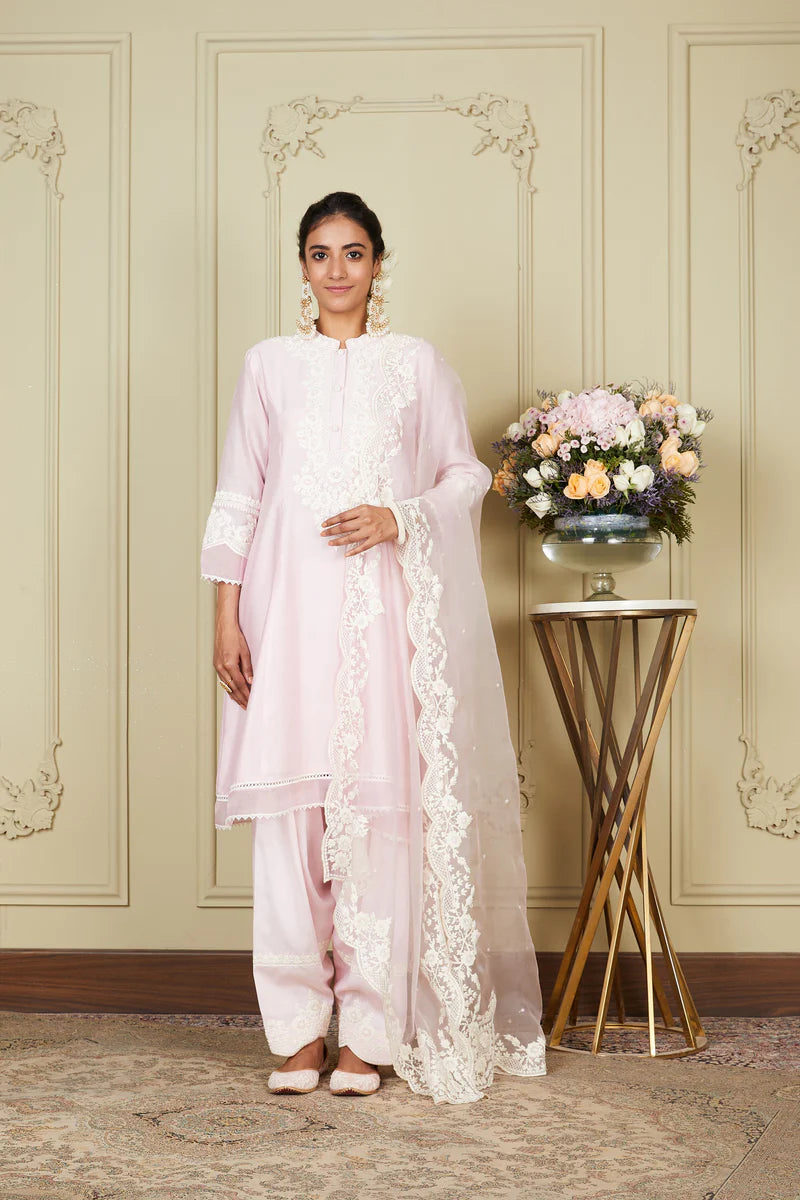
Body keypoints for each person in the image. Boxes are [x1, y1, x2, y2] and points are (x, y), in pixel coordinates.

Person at [200, 190, 546, 1104]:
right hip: (284, 614)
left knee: (380, 818)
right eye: (321, 253)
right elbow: (239, 493)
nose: (338, 270)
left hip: (382, 618)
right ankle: (297, 1034)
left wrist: (399, 516)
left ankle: (367, 1036)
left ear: (378, 263)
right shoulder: (269, 366)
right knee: (292, 822)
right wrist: (227, 617)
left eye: (354, 252)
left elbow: (466, 474)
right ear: (302, 266)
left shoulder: (416, 365)